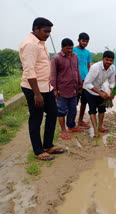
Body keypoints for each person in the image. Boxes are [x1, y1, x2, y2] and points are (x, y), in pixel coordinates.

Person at [19, 17, 64, 161]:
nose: (48, 34)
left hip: (46, 87)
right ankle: (38, 151)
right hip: (34, 89)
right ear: (36, 29)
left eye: (49, 32)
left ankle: (48, 145)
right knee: (36, 119)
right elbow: (29, 71)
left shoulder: (40, 42)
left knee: (53, 113)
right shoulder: (30, 44)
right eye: (45, 31)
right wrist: (37, 94)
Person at [51, 38, 83, 140]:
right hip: (62, 89)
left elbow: (77, 70)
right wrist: (55, 90)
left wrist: (80, 83)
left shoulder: (75, 56)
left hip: (73, 89)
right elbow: (53, 75)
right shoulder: (56, 58)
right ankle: (63, 130)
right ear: (62, 47)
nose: (70, 51)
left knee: (73, 109)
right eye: (67, 48)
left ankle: (71, 126)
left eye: (71, 48)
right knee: (61, 111)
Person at [83, 51, 115, 137]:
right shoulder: (95, 67)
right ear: (103, 59)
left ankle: (100, 127)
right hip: (90, 90)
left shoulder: (112, 68)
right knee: (92, 110)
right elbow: (87, 83)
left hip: (101, 88)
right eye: (106, 60)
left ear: (113, 61)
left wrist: (111, 92)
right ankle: (95, 131)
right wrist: (100, 93)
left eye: (111, 60)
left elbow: (112, 82)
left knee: (102, 109)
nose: (108, 62)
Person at [73, 32, 92, 128]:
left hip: (85, 80)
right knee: (74, 101)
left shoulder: (88, 53)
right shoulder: (72, 50)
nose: (85, 43)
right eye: (83, 41)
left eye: (87, 42)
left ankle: (80, 120)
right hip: (75, 80)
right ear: (78, 40)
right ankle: (71, 121)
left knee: (84, 101)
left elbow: (89, 66)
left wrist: (90, 79)